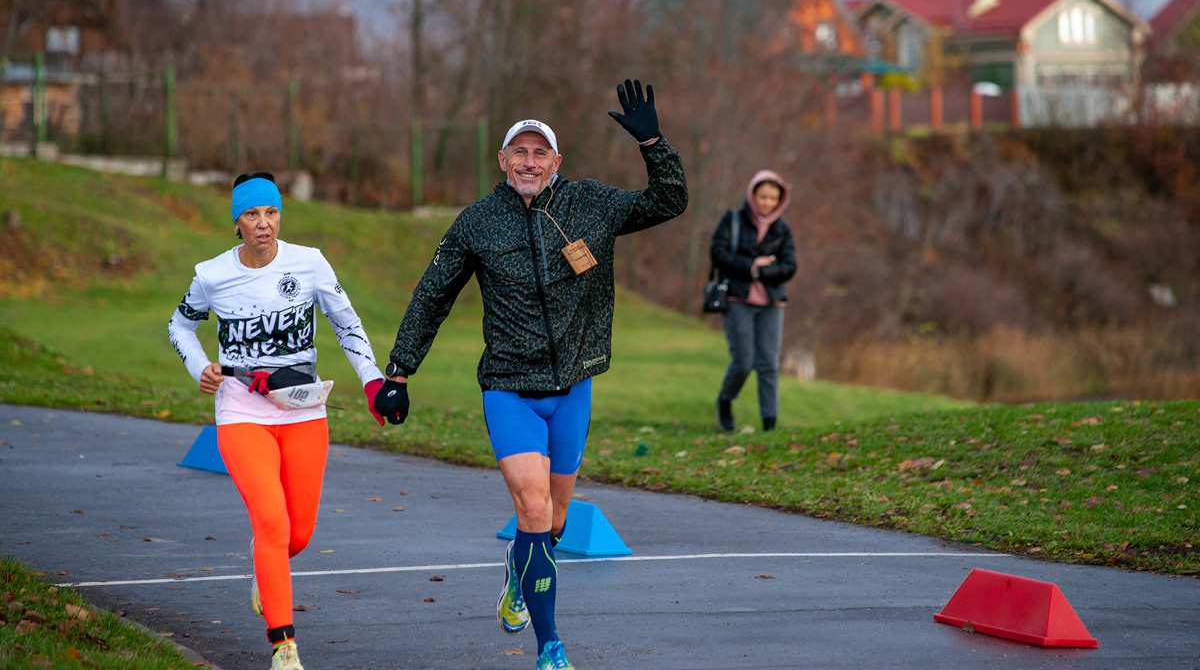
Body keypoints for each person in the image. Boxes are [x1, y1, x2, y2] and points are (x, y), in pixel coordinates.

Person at [372, 79, 687, 670]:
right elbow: (431, 296)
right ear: (502, 159)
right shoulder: (476, 223)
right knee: (534, 511)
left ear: (556, 163)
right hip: (509, 388)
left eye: (540, 152)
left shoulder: (590, 204)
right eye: (520, 151)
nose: (529, 161)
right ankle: (550, 646)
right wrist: (399, 372)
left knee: (557, 521)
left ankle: (518, 579)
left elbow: (668, 202)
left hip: (573, 388)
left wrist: (652, 142)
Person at [167, 172, 387, 670]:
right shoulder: (212, 274)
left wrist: (372, 381)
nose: (264, 224)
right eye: (251, 215)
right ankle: (283, 646)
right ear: (236, 224)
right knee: (271, 519)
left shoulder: (309, 263)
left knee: (298, 534)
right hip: (242, 410)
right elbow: (179, 324)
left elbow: (347, 322)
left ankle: (265, 569)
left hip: (304, 407)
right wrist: (198, 365)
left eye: (271, 213)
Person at [709, 170, 796, 433]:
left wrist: (762, 272)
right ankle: (725, 401)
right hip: (738, 300)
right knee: (744, 361)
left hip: (772, 304)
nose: (767, 202)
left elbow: (790, 266)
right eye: (763, 196)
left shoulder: (783, 229)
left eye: (773, 198)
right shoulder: (733, 220)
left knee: (769, 364)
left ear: (780, 200)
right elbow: (718, 253)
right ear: (752, 195)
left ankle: (770, 424)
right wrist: (752, 266)